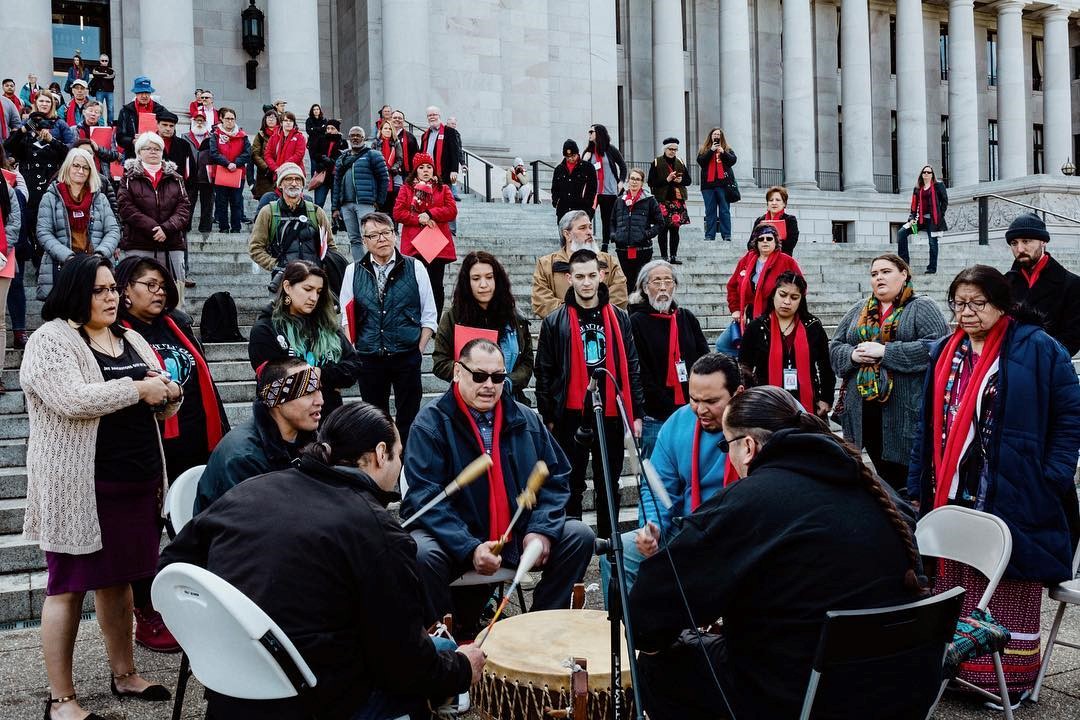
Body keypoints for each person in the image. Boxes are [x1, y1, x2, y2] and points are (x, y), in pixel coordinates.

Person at [165, 402, 483, 719]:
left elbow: (171, 566)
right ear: (380, 453)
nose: (399, 465)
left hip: (230, 690)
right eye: (398, 455)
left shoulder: (251, 489)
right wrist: (461, 668)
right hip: (319, 700)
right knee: (435, 662)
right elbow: (402, 664)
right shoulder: (375, 529)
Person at [631, 385, 930, 720]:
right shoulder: (874, 485)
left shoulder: (752, 500)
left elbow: (649, 611)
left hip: (805, 697)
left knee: (659, 664)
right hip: (903, 686)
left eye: (724, 445)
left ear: (747, 446)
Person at [908, 265, 1080, 699]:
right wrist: (917, 483)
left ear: (1002, 304)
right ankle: (954, 671)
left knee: (1007, 581)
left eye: (977, 303)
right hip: (953, 489)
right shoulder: (946, 350)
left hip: (1018, 489)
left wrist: (1054, 476)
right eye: (959, 303)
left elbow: (1069, 416)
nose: (966, 312)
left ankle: (1007, 682)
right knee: (956, 579)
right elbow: (926, 426)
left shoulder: (1038, 348)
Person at [22, 255, 181, 720]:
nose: (111, 297)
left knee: (121, 583)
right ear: (74, 292)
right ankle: (62, 699)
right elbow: (71, 399)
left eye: (113, 289)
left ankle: (125, 673)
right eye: (100, 290)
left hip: (136, 482)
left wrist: (170, 393)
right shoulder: (49, 340)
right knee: (67, 588)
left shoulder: (129, 336)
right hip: (80, 487)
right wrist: (139, 389)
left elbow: (162, 395)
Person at [404, 338, 595, 630]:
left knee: (578, 535)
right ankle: (444, 644)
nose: (489, 385)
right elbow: (426, 497)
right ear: (457, 372)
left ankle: (539, 627)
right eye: (479, 376)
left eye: (498, 377)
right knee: (421, 552)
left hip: (516, 533)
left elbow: (555, 478)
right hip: (457, 538)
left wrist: (540, 530)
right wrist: (469, 547)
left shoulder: (526, 418)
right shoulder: (430, 424)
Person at [113, 255, 228, 651]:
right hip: (150, 449)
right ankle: (147, 614)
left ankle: (196, 605)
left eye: (162, 284)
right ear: (124, 289)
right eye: (149, 284)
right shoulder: (118, 334)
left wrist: (222, 432)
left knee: (197, 530)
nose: (159, 291)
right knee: (146, 536)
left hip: (196, 442)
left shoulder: (176, 323)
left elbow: (204, 377)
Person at [599, 353, 742, 597]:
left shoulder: (761, 415)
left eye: (711, 401)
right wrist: (652, 526)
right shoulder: (678, 423)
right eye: (694, 399)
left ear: (738, 393)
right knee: (618, 555)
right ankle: (630, 634)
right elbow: (658, 488)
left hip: (743, 531)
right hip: (688, 529)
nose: (701, 409)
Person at [535, 249, 643, 539]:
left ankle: (610, 547)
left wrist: (636, 414)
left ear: (602, 276)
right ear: (569, 278)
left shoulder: (620, 318)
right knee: (570, 484)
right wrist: (548, 415)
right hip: (570, 413)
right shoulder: (554, 321)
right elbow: (543, 371)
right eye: (580, 276)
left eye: (592, 275)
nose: (586, 283)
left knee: (609, 483)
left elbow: (631, 366)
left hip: (608, 411)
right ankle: (574, 545)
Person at [829, 254, 948, 491]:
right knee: (874, 478)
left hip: (904, 412)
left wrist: (886, 352)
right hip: (863, 411)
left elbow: (937, 346)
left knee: (904, 482)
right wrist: (852, 355)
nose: (879, 278)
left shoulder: (922, 307)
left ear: (903, 274)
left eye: (886, 271)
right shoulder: (858, 309)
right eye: (874, 274)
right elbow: (835, 347)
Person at [339, 211, 438, 447]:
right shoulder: (353, 271)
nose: (381, 239)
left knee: (409, 417)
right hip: (369, 357)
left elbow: (430, 315)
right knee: (374, 417)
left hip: (406, 354)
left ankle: (407, 463)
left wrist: (419, 349)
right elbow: (346, 315)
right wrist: (354, 348)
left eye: (386, 232)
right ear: (364, 241)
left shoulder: (415, 267)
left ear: (395, 234)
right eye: (373, 235)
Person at [195, 358, 322, 512]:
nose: (320, 400)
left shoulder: (307, 438)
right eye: (308, 393)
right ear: (278, 400)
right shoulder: (243, 458)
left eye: (319, 389)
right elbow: (252, 525)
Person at [249, 260, 361, 419]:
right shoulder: (265, 329)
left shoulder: (327, 326)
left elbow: (354, 366)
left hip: (329, 420)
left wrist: (320, 374)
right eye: (308, 289)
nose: (314, 297)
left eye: (319, 291)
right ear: (287, 287)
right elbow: (274, 382)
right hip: (285, 425)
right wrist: (326, 380)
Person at [628, 259, 709, 457]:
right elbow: (640, 371)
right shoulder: (636, 322)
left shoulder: (686, 318)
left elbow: (705, 360)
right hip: (655, 415)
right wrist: (669, 407)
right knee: (657, 474)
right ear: (645, 288)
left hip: (692, 410)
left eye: (668, 280)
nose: (663, 287)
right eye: (656, 281)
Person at [432, 251, 534, 404]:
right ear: (467, 282)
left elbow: (526, 361)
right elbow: (440, 363)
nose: (483, 285)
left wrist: (506, 382)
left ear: (497, 280)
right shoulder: (453, 318)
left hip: (511, 402)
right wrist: (472, 375)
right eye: (476, 278)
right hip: (466, 402)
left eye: (489, 277)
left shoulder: (515, 318)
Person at [738, 269, 834, 421]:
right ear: (774, 294)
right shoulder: (757, 327)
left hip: (808, 404)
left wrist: (826, 398)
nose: (787, 302)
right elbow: (744, 366)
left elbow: (825, 365)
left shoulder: (812, 326)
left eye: (794, 297)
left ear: (801, 300)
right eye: (782, 295)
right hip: (767, 403)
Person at [35, 148, 121, 300]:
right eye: (76, 165)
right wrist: (67, 257)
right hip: (62, 265)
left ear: (90, 171)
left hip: (94, 266)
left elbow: (113, 230)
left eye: (85, 167)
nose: (80, 171)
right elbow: (43, 232)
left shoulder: (99, 198)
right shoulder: (51, 197)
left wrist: (100, 255)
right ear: (68, 167)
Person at [117, 132, 193, 300]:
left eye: (157, 148)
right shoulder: (128, 178)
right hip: (139, 243)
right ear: (139, 152)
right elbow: (126, 207)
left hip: (171, 244)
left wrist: (166, 228)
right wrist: (152, 227)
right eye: (147, 148)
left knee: (173, 296)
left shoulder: (176, 178)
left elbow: (184, 207)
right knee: (140, 295)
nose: (153, 152)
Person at [715, 224, 802, 356]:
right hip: (748, 316)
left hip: (774, 316)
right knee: (723, 344)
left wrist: (786, 308)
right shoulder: (746, 260)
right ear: (756, 242)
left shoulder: (787, 261)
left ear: (776, 241)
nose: (765, 242)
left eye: (769, 238)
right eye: (761, 239)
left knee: (767, 352)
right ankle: (742, 372)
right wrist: (735, 309)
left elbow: (801, 288)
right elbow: (732, 286)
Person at [1003, 212, 1080, 356]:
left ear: (1043, 242)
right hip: (1010, 367)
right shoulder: (1004, 283)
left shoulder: (1072, 284)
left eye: (1026, 241)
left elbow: (1073, 338)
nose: (1020, 249)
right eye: (1014, 243)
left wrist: (1036, 354)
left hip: (1049, 368)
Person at [249, 163, 337, 288]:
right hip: (284, 281)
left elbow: (331, 247)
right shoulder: (268, 212)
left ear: (302, 184)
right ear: (280, 184)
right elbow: (255, 248)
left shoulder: (316, 212)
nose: (294, 183)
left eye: (298, 179)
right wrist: (276, 265)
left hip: (314, 280)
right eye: (288, 179)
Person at [393, 151, 457, 318]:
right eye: (422, 167)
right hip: (414, 245)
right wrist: (418, 219)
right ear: (416, 171)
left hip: (436, 245)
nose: (426, 170)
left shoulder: (443, 189)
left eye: (429, 167)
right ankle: (415, 318)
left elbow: (451, 210)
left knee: (436, 284)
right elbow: (398, 213)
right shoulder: (406, 189)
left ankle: (434, 321)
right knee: (415, 284)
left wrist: (430, 213)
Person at [531, 209, 628, 319]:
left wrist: (593, 312)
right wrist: (573, 313)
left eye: (590, 227)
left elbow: (620, 295)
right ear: (567, 234)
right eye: (582, 228)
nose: (589, 232)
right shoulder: (546, 264)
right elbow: (541, 300)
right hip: (562, 330)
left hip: (602, 326)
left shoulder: (610, 262)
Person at [3, 110, 70, 255]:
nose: (39, 125)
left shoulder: (52, 141)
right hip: (30, 189)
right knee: (30, 225)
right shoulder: (25, 140)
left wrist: (51, 140)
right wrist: (24, 129)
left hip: (48, 187)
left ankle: (43, 256)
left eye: (42, 122)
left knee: (48, 226)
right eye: (36, 122)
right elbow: (7, 146)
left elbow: (67, 153)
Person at [333, 126, 389, 260]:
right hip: (346, 205)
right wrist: (335, 207)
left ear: (364, 138)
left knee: (370, 235)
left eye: (358, 135)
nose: (355, 138)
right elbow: (336, 183)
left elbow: (384, 179)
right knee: (354, 239)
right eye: (352, 135)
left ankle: (374, 262)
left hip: (365, 203)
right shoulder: (342, 158)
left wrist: (378, 201)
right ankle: (360, 265)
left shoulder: (373, 155)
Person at [609, 167, 662, 289]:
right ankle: (629, 307)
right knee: (627, 283)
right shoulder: (619, 200)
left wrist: (646, 234)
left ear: (642, 183)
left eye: (638, 179)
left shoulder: (650, 200)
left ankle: (639, 307)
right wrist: (614, 235)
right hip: (622, 249)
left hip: (642, 249)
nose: (634, 182)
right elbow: (612, 221)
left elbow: (660, 223)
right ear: (628, 180)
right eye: (632, 178)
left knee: (640, 283)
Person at [582, 123, 627, 251]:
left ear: (599, 134)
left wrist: (621, 182)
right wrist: (584, 160)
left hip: (609, 191)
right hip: (594, 192)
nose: (589, 134)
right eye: (589, 132)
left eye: (592, 132)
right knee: (586, 216)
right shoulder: (589, 152)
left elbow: (623, 167)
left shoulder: (611, 150)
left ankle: (605, 245)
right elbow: (582, 172)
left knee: (606, 219)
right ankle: (585, 242)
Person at [647, 138, 691, 264]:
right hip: (662, 200)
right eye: (670, 149)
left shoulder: (680, 162)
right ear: (665, 149)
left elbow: (688, 181)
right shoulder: (656, 162)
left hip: (677, 200)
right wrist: (666, 180)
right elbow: (651, 182)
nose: (673, 152)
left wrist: (680, 181)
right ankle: (664, 256)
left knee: (675, 230)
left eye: (675, 150)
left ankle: (673, 256)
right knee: (662, 229)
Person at [897, 164, 948, 274]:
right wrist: (911, 218)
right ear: (921, 174)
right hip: (918, 220)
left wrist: (940, 215)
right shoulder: (917, 188)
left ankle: (932, 268)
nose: (926, 174)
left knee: (932, 243)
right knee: (901, 233)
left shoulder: (938, 186)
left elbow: (944, 201)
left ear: (932, 175)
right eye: (924, 172)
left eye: (929, 172)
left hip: (933, 221)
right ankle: (904, 264)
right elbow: (914, 205)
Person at [209, 107, 251, 233]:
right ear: (221, 119)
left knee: (236, 201)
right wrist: (227, 163)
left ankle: (236, 228)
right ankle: (223, 227)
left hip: (238, 173)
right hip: (221, 172)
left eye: (232, 119)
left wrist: (235, 163)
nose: (230, 121)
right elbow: (213, 153)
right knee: (221, 201)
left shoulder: (243, 136)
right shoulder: (215, 135)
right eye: (227, 118)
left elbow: (247, 153)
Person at [697, 127, 737, 242]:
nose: (716, 136)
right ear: (711, 136)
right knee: (710, 211)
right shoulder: (704, 150)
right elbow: (701, 162)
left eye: (718, 134)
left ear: (721, 137)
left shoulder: (727, 149)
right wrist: (711, 151)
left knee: (724, 210)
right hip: (708, 186)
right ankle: (710, 235)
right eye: (714, 134)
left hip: (723, 185)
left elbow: (732, 161)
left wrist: (722, 152)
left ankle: (726, 235)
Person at [115, 76, 169, 158]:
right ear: (136, 93)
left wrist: (158, 136)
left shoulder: (161, 110)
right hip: (133, 155)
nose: (144, 96)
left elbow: (170, 131)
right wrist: (132, 141)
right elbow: (120, 138)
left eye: (147, 92)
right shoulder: (125, 111)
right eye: (141, 92)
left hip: (156, 154)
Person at [0, 171, 19, 392]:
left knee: (0, 320)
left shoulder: (5, 184)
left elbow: (15, 219)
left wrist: (4, 247)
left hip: (3, 255)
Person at [183, 112, 215, 234]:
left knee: (207, 203)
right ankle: (186, 226)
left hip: (207, 175)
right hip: (190, 175)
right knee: (188, 202)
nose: (199, 123)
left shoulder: (212, 137)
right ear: (193, 122)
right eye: (197, 120)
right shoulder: (185, 136)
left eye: (202, 121)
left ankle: (206, 228)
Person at [550, 138, 597, 222]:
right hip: (563, 212)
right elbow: (555, 189)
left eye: (573, 156)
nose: (571, 159)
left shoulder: (588, 168)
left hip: (580, 212)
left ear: (577, 154)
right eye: (568, 157)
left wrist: (588, 208)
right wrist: (556, 202)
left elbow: (592, 189)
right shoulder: (559, 169)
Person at [420, 105, 462, 188]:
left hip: (444, 174)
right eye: (429, 115)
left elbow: (455, 152)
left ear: (439, 116)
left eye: (434, 115)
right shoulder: (424, 135)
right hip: (428, 174)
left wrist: (454, 170)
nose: (432, 117)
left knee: (444, 199)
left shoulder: (449, 131)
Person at [263, 111, 307, 190]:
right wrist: (276, 168)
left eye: (291, 121)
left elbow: (299, 155)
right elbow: (267, 155)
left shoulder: (299, 137)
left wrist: (283, 167)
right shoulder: (274, 137)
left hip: (294, 174)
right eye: (286, 120)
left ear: (294, 123)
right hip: (278, 174)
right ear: (281, 123)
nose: (288, 123)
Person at [374, 117, 407, 218]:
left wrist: (394, 168)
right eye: (385, 128)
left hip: (392, 175)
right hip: (378, 176)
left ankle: (394, 227)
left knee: (392, 202)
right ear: (381, 130)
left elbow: (400, 159)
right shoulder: (376, 143)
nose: (387, 131)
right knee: (379, 204)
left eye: (389, 129)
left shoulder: (396, 143)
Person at [753, 185, 799, 255]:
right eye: (771, 200)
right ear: (767, 204)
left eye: (778, 200)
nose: (774, 203)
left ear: (784, 203)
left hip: (782, 259)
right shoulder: (760, 220)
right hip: (762, 259)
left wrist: (766, 245)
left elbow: (790, 244)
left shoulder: (790, 220)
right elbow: (751, 244)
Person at [309, 118, 343, 209]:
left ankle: (335, 223)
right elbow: (313, 153)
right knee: (318, 203)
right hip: (322, 175)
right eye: (328, 128)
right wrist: (322, 158)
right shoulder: (321, 139)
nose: (329, 131)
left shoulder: (342, 142)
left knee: (336, 206)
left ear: (337, 130)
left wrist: (331, 161)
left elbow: (342, 157)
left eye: (332, 128)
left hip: (335, 177)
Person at [250, 109, 280, 199]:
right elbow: (255, 154)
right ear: (265, 120)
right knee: (265, 201)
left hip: (278, 172)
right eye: (268, 117)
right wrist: (267, 168)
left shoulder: (281, 135)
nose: (271, 119)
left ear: (277, 120)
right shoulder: (260, 135)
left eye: (273, 117)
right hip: (264, 174)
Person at [390, 109, 419, 174]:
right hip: (388, 172)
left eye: (400, 118)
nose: (397, 119)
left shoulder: (410, 137)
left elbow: (416, 155)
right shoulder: (386, 135)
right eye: (395, 118)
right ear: (390, 119)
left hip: (406, 173)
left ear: (403, 121)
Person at [89, 54, 116, 124]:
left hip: (109, 92)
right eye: (102, 60)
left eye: (106, 61)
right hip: (99, 91)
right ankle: (100, 123)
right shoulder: (96, 69)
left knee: (111, 108)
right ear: (100, 61)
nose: (104, 62)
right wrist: (105, 74)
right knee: (98, 108)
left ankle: (110, 123)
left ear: (108, 61)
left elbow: (111, 76)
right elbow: (95, 74)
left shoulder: (111, 70)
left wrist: (100, 75)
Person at [305, 103, 327, 168]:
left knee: (321, 164)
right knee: (313, 164)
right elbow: (308, 131)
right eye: (314, 109)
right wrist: (320, 128)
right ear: (312, 111)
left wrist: (314, 129)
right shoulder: (309, 120)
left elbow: (324, 130)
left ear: (320, 110)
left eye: (317, 109)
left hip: (322, 145)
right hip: (312, 145)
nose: (316, 111)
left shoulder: (324, 120)